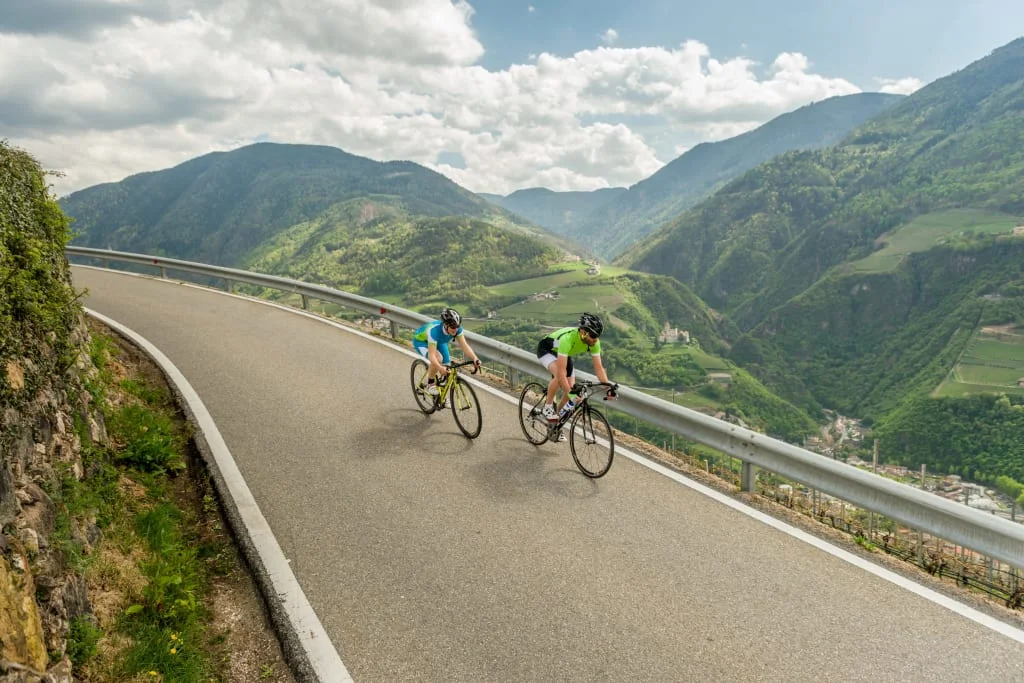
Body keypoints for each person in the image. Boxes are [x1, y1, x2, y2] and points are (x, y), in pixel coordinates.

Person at [536, 312, 617, 427]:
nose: (595, 340)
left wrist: (608, 387)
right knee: (560, 378)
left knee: (572, 388)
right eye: (593, 336)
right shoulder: (567, 339)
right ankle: (547, 407)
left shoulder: (595, 343)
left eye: (597, 336)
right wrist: (570, 394)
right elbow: (561, 372)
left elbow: (599, 369)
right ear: (583, 332)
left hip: (564, 354)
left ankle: (556, 422)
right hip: (546, 350)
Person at [413, 307, 481, 395]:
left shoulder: (457, 329)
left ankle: (441, 396)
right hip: (422, 342)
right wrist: (440, 368)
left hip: (438, 342)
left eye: (457, 326)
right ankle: (430, 383)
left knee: (448, 368)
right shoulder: (434, 331)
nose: (455, 329)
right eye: (453, 327)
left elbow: (465, 346)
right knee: (438, 358)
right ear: (445, 325)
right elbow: (431, 356)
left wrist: (475, 358)